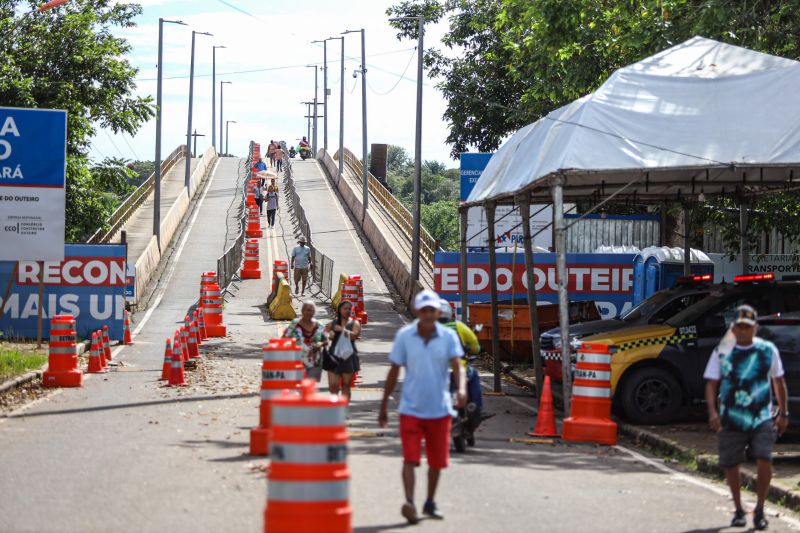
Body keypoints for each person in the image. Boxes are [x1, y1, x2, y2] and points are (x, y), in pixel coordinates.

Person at [379, 290, 466, 525]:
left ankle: (429, 501)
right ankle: (409, 502)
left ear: (438, 312)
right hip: (411, 409)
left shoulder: (448, 337)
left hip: (440, 409)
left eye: (432, 310)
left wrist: (462, 390)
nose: (428, 314)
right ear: (417, 311)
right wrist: (384, 404)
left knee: (437, 462)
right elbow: (394, 370)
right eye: (424, 310)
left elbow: (458, 366)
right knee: (410, 458)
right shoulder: (405, 336)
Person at [704, 305, 788, 531]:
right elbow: (712, 384)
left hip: (761, 416)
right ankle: (739, 509)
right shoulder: (723, 351)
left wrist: (783, 413)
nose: (743, 331)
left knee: (764, 459)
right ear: (734, 328)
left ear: (755, 328)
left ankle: (760, 508)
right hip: (731, 417)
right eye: (739, 326)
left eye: (748, 327)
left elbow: (778, 382)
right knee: (731, 463)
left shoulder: (767, 350)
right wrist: (713, 412)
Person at [438, 299, 483, 412]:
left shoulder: (428, 329)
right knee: (474, 376)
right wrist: (475, 350)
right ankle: (475, 406)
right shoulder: (458, 326)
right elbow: (475, 346)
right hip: (458, 368)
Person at [323, 300, 362, 400]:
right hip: (334, 356)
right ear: (339, 310)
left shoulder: (355, 323)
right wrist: (328, 336)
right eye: (345, 308)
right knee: (333, 386)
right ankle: (335, 408)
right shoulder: (333, 323)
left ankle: (343, 411)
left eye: (349, 309)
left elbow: (354, 336)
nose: (348, 310)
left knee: (345, 386)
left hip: (349, 356)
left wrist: (342, 330)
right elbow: (323, 333)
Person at [283, 300, 327, 378]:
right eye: (308, 310)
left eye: (312, 310)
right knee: (297, 385)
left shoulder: (320, 325)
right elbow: (284, 338)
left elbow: (326, 340)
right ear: (302, 311)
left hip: (315, 361)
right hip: (297, 360)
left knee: (310, 387)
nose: (310, 312)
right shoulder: (295, 324)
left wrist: (320, 344)